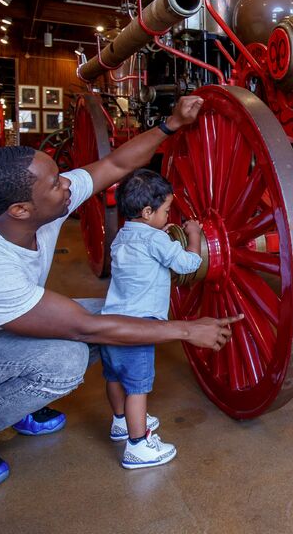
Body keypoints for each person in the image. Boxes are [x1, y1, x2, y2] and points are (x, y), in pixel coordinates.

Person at [0, 96, 242, 493]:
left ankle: (14, 402)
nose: (67, 182)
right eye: (55, 182)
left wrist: (170, 124)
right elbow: (85, 329)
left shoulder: (40, 210)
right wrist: (188, 330)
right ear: (19, 209)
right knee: (66, 359)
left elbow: (115, 165)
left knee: (114, 312)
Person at [101, 169, 203, 469]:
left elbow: (146, 246)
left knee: (114, 378)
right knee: (138, 388)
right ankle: (138, 446)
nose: (167, 215)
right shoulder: (156, 241)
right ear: (147, 212)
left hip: (112, 323)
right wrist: (193, 236)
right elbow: (188, 264)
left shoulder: (123, 235)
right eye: (166, 211)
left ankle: (120, 422)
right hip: (141, 328)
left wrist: (161, 231)